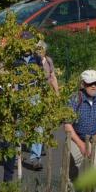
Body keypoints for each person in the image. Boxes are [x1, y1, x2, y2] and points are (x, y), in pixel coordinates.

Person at [23, 39, 60, 171]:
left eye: (41, 49)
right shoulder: (32, 62)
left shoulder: (48, 61)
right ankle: (33, 146)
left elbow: (52, 76)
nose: (39, 52)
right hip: (33, 94)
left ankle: (36, 154)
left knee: (41, 124)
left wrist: (57, 93)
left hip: (45, 94)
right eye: (37, 49)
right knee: (32, 124)